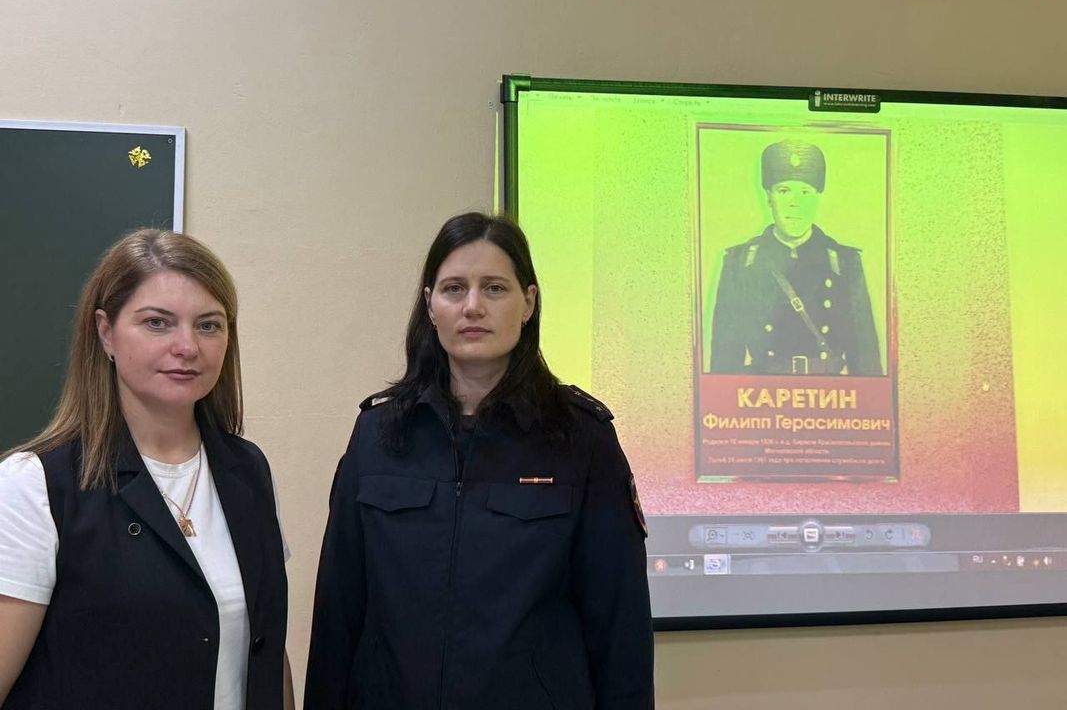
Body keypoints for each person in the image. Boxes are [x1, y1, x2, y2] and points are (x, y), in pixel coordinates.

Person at [304, 212, 654, 709]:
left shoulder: (581, 438)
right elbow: (338, 613)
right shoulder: (378, 434)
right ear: (430, 305)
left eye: (494, 288)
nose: (473, 306)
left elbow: (620, 630)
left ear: (528, 302)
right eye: (454, 289)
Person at [0, 229, 293, 710]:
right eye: (158, 323)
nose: (187, 346)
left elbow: (266, 651)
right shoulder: (35, 485)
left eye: (208, 325)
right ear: (105, 332)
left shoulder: (249, 471)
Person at [708, 139, 883, 376]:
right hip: (763, 392)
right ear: (769, 196)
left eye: (805, 192)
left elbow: (866, 359)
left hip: (828, 392)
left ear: (818, 197)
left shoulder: (845, 262)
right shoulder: (740, 262)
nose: (795, 203)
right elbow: (724, 361)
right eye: (784, 191)